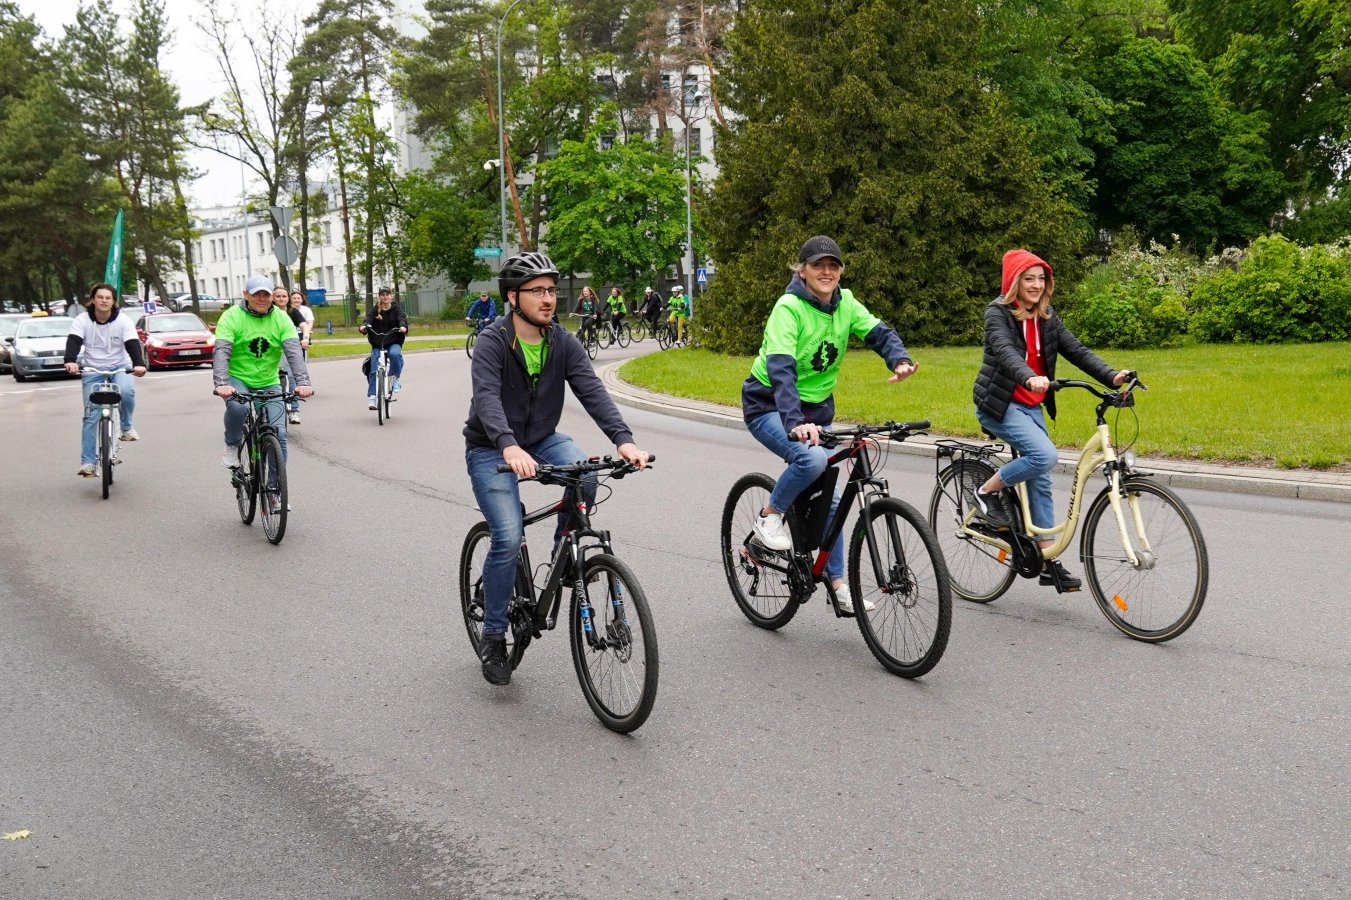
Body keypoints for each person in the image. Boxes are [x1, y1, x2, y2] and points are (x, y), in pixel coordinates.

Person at [463, 252, 650, 686]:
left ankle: (562, 552)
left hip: (542, 439)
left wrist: (623, 440)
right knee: (508, 536)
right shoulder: (493, 341)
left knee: (587, 474)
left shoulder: (562, 342)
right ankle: (494, 635)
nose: (548, 298)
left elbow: (592, 391)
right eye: (537, 291)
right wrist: (508, 445)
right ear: (513, 297)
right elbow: (487, 399)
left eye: (551, 290)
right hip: (491, 447)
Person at [741, 236, 916, 614]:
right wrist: (795, 423)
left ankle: (838, 585)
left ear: (840, 271)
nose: (826, 272)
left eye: (833, 265)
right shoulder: (788, 308)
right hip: (769, 405)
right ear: (802, 270)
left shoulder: (846, 303)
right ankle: (769, 517)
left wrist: (899, 359)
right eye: (817, 265)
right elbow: (781, 370)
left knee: (832, 501)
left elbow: (880, 333)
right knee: (812, 460)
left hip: (817, 414)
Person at [970, 249, 1130, 591]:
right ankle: (985, 491)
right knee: (1044, 456)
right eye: (1028, 278)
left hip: (1031, 405)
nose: (1036, 285)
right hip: (1000, 403)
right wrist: (1029, 376)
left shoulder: (1046, 316)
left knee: (1040, 479)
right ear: (1014, 282)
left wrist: (1112, 376)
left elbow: (1076, 350)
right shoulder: (997, 313)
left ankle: (1046, 560)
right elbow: (1005, 352)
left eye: (1041, 279)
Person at [213, 274, 313, 488]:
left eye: (265, 294)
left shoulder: (281, 318)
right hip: (237, 378)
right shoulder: (232, 316)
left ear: (272, 296)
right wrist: (221, 383)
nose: (261, 299)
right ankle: (232, 445)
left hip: (268, 380)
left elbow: (294, 352)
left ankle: (274, 490)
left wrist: (303, 382)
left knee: (279, 434)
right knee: (238, 408)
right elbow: (222, 351)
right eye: (256, 294)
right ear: (245, 294)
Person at [62, 282, 147, 477]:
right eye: (100, 297)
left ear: (113, 301)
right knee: (91, 414)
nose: (104, 301)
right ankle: (88, 463)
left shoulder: (123, 320)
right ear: (93, 300)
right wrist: (70, 361)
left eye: (108, 298)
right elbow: (74, 341)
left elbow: (132, 343)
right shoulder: (82, 320)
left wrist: (138, 364)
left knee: (126, 392)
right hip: (93, 369)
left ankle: (126, 426)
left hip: (120, 366)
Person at [359, 287, 407, 409]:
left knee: (395, 355)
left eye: (387, 294)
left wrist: (402, 327)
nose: (385, 297)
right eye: (382, 295)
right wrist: (364, 327)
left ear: (391, 296)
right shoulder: (376, 309)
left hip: (393, 341)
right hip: (378, 343)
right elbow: (368, 319)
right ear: (379, 296)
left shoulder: (396, 309)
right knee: (373, 369)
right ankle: (372, 397)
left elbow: (401, 319)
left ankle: (395, 378)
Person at [274, 286, 309, 424]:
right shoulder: (268, 312)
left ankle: (293, 410)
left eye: (284, 296)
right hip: (272, 350)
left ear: (288, 298)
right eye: (278, 296)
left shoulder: (292, 311)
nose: (281, 299)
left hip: (288, 348)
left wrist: (305, 338)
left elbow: (304, 325)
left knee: (292, 377)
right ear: (272, 298)